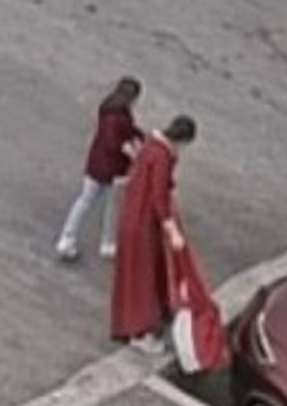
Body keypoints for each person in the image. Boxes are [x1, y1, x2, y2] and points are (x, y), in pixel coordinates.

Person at [110, 115, 198, 354]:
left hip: (132, 216)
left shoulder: (151, 146)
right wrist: (171, 228)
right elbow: (159, 195)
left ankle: (133, 323)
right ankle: (139, 331)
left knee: (135, 274)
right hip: (144, 223)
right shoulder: (162, 157)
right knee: (144, 276)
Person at [56, 77, 145, 262]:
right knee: (112, 205)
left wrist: (138, 134)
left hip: (96, 163)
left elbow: (119, 133)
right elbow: (115, 142)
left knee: (85, 200)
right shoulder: (119, 116)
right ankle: (107, 242)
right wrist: (132, 151)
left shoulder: (109, 109)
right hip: (114, 169)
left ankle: (68, 237)